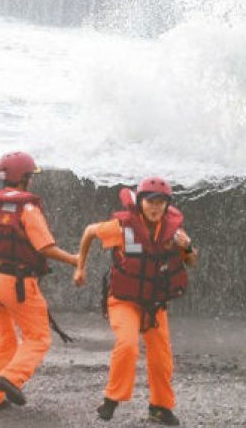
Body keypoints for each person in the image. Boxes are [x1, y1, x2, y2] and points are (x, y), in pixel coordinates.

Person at [73, 176, 198, 426]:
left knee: (162, 358)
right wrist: (80, 267)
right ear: (140, 202)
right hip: (123, 300)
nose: (155, 207)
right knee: (128, 344)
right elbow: (89, 231)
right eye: (151, 202)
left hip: (154, 304)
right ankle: (111, 399)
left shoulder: (175, 233)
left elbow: (191, 261)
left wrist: (188, 247)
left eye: (161, 203)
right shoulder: (121, 228)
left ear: (167, 205)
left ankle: (160, 408)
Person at [0, 151, 78, 410]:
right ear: (25, 178)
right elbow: (45, 248)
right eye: (31, 176)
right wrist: (75, 260)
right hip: (15, 282)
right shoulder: (26, 208)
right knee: (38, 337)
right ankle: (10, 378)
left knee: (1, 337)